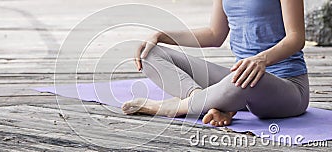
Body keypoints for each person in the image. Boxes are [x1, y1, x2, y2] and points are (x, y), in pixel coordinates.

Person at [121, 0, 309, 127]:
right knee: (150, 54)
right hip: (238, 80)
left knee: (246, 78)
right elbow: (214, 34)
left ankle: (177, 108)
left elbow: (296, 38)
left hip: (287, 86)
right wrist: (161, 36)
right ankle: (204, 100)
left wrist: (262, 59)